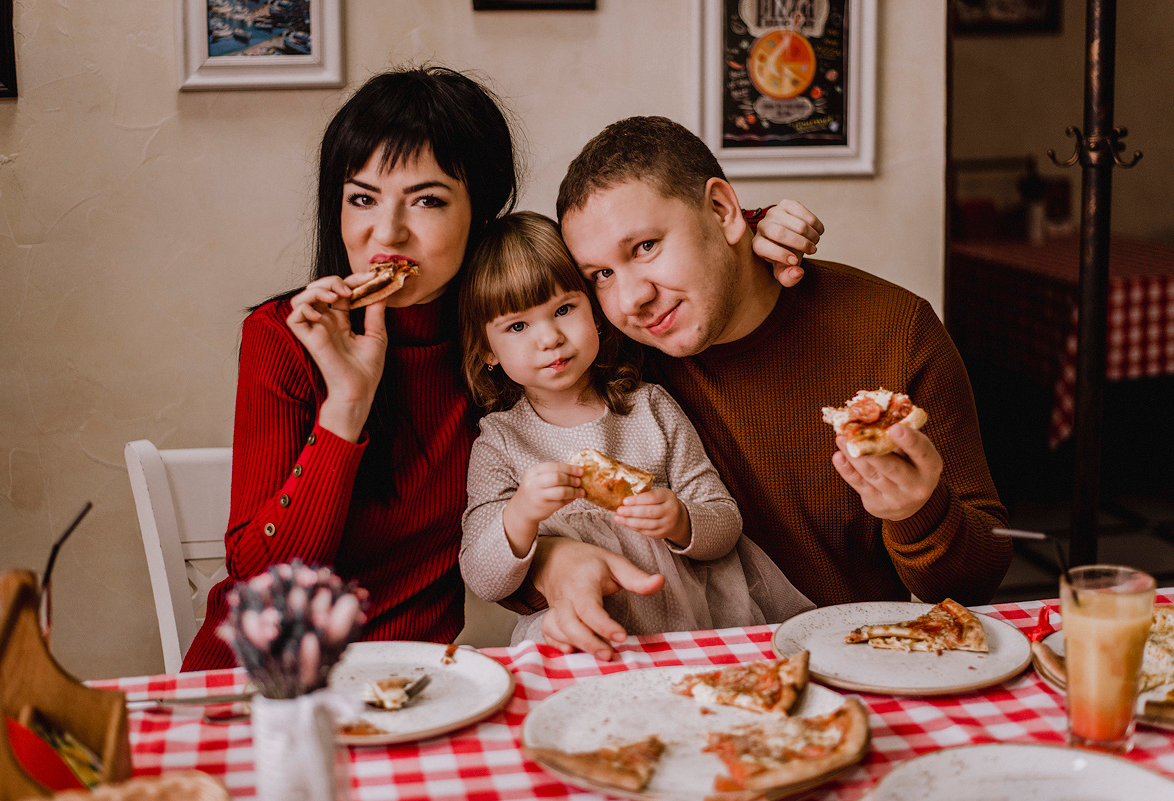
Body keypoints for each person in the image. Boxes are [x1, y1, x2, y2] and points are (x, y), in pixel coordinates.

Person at [180, 66, 826, 671]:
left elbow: (635, 283)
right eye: (362, 198)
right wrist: (346, 405)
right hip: (265, 679)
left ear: (479, 214)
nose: (388, 233)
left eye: (427, 201)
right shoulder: (286, 337)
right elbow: (264, 579)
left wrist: (752, 229)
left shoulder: (508, 337)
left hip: (418, 681)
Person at [521, 116, 1014, 660]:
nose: (629, 298)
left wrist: (918, 511)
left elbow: (980, 581)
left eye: (644, 247)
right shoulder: (606, 355)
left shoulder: (894, 332)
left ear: (721, 210)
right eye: (600, 275)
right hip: (657, 666)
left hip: (848, 663)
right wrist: (551, 562)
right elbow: (489, 512)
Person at [456, 212, 814, 644]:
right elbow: (482, 577)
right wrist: (522, 513)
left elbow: (724, 524)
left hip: (692, 630)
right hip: (579, 642)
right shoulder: (500, 442)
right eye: (517, 326)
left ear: (597, 314)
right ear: (486, 351)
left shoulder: (649, 407)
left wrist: (681, 519)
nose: (549, 337)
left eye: (564, 309)